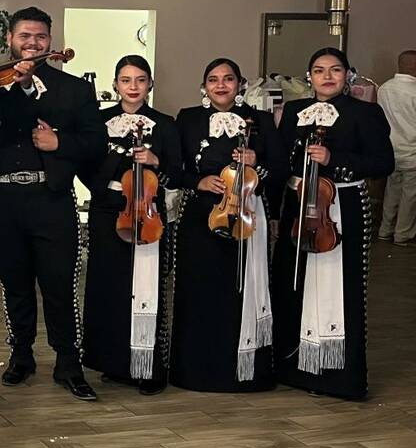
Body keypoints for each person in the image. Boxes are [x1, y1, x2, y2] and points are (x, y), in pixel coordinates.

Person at [0, 7, 105, 401]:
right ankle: (21, 355)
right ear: (9, 39)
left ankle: (68, 363)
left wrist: (60, 143)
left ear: (50, 41)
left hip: (51, 199)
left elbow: (95, 142)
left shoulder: (74, 90)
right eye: (25, 36)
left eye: (40, 37)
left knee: (59, 284)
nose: (32, 44)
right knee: (14, 284)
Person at [271, 48, 394, 400]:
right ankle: (293, 366)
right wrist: (278, 212)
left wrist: (334, 158)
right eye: (319, 70)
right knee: (291, 282)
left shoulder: (366, 113)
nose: (327, 76)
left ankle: (337, 375)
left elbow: (383, 162)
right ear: (308, 76)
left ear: (347, 75)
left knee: (339, 286)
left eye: (335, 70)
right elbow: (282, 164)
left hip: (341, 207)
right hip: (297, 207)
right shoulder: (294, 111)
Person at [171, 58, 284, 392]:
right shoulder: (188, 119)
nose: (220, 85)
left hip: (247, 214)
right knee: (200, 290)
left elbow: (279, 170)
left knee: (239, 291)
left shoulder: (260, 120)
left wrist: (256, 162)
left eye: (228, 79)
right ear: (204, 86)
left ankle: (243, 370)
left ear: (240, 84)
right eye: (213, 79)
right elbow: (173, 169)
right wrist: (199, 181)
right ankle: (194, 371)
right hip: (199, 219)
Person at [82, 56, 182, 395]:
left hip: (148, 209)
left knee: (148, 286)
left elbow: (178, 172)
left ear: (150, 84)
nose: (133, 87)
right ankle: (114, 362)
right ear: (115, 85)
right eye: (126, 80)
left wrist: (155, 161)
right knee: (110, 285)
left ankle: (149, 365)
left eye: (140, 80)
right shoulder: (100, 121)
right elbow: (88, 171)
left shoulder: (165, 124)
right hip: (109, 208)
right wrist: (118, 156)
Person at [378, 50, 416, 245]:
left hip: (390, 151)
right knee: (410, 197)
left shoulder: (384, 88)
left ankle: (385, 229)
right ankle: (403, 234)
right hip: (412, 152)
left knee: (391, 192)